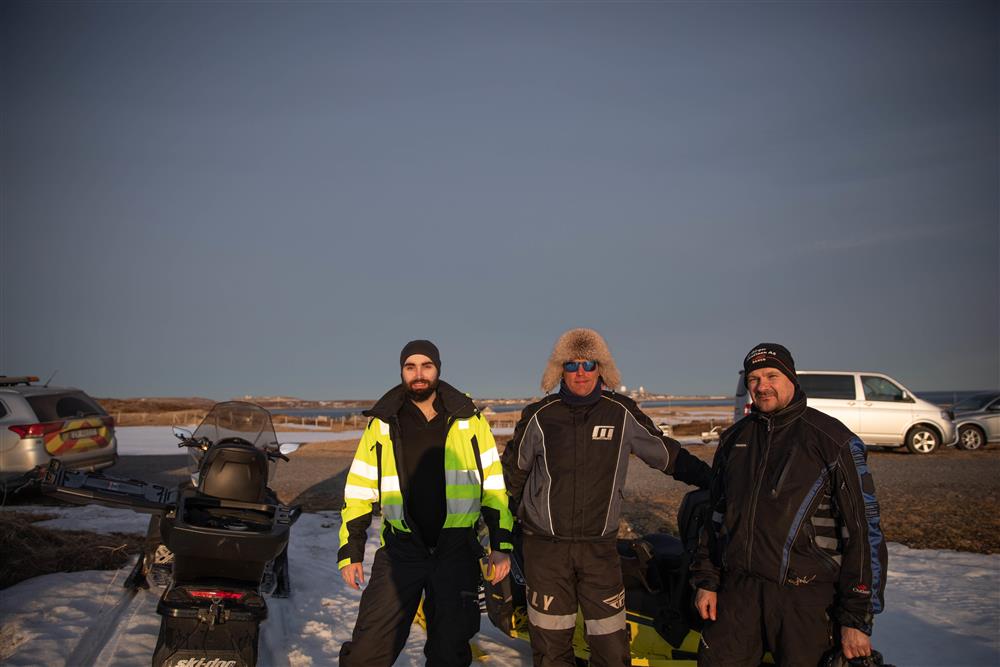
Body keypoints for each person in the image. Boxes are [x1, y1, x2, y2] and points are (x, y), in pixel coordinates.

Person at [501, 328, 713, 667]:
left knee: (612, 652)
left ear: (602, 368)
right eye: (571, 365)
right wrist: (502, 536)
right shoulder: (540, 416)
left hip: (599, 552)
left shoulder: (620, 412)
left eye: (589, 364)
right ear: (560, 370)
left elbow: (667, 455)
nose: (581, 373)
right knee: (551, 651)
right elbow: (511, 478)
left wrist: (715, 481)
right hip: (545, 551)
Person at [691, 343, 888, 666]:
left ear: (791, 378)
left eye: (771, 375)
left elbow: (864, 534)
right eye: (753, 378)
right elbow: (714, 519)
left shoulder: (833, 441)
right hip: (739, 594)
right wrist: (706, 582)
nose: (761, 386)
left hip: (805, 600)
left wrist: (856, 618)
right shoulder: (734, 440)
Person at [338, 340, 514, 667]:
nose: (418, 374)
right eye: (410, 367)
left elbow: (493, 486)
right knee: (368, 650)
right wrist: (351, 550)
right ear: (402, 372)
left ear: (438, 369)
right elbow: (359, 488)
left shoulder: (469, 420)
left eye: (426, 366)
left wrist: (500, 543)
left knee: (449, 654)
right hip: (400, 551)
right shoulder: (384, 422)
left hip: (456, 552)